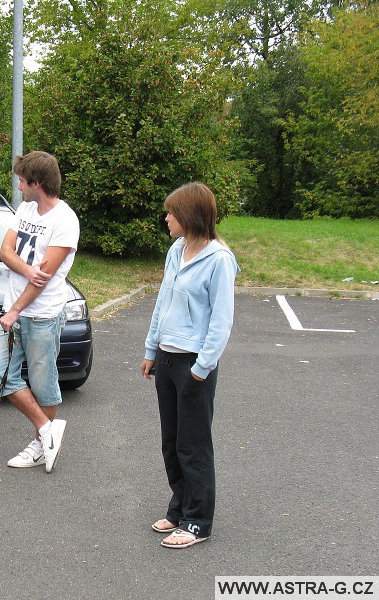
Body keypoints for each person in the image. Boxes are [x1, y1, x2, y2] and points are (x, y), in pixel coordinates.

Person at [140, 182, 239, 549]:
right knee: (171, 441)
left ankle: (198, 521)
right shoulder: (176, 250)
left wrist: (202, 367)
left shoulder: (219, 260)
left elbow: (221, 321)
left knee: (193, 445)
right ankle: (180, 508)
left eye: (171, 212)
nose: (166, 218)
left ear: (190, 215)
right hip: (166, 358)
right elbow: (162, 303)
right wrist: (151, 350)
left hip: (194, 363)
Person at [0, 151, 79, 474]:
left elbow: (44, 281)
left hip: (42, 316)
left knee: (43, 384)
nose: (19, 186)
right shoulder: (25, 209)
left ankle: (40, 446)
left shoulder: (65, 221)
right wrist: (27, 269)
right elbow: (4, 251)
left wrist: (14, 310)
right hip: (15, 311)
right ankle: (47, 430)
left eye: (22, 181)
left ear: (36, 183)